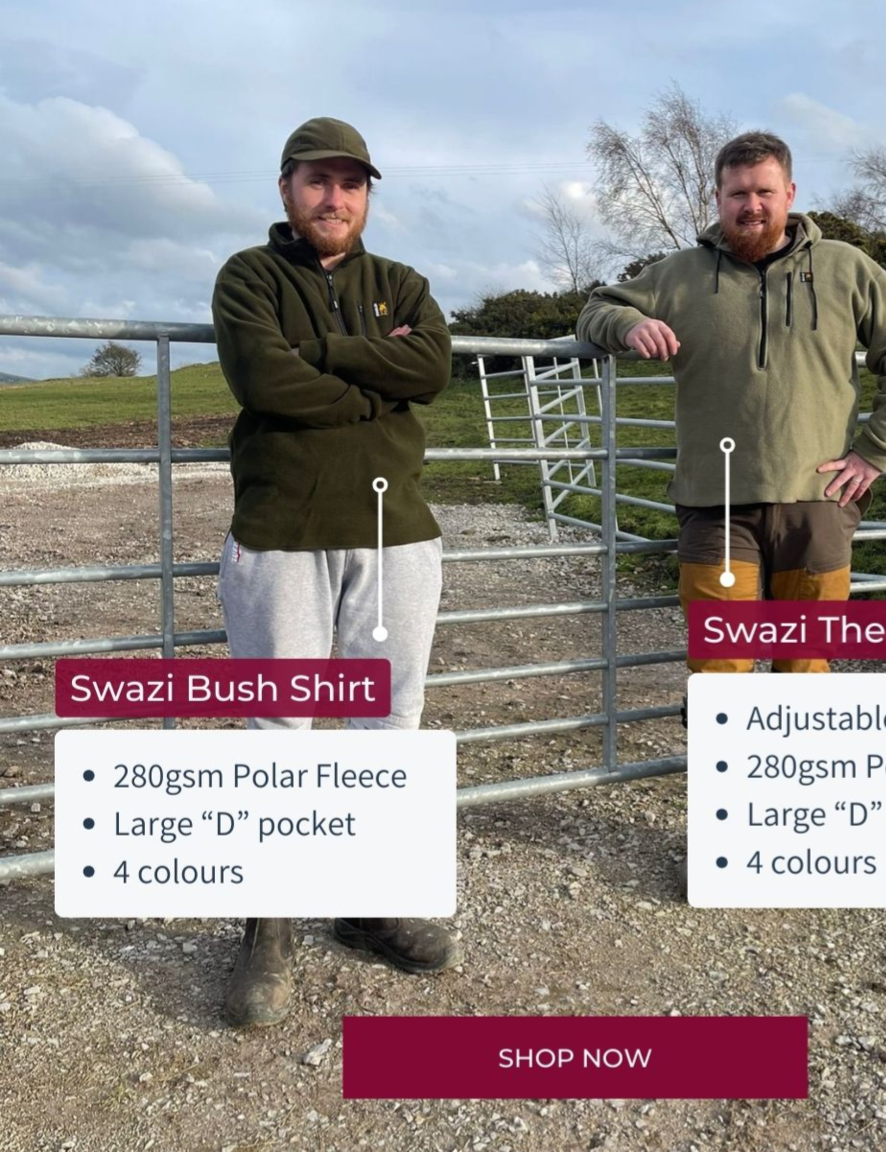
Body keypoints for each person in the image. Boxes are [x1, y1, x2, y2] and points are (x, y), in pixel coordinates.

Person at [211, 117, 459, 1027]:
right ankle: (266, 929)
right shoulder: (248, 276)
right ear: (286, 188)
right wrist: (372, 383)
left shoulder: (404, 284)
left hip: (397, 536)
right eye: (319, 180)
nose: (335, 198)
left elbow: (430, 364)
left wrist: (325, 352)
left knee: (386, 722)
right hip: (282, 531)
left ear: (367, 195)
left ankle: (370, 900)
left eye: (352, 183)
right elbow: (263, 381)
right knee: (282, 725)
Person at [577, 129, 886, 678]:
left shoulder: (846, 267)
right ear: (717, 199)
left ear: (790, 194)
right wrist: (630, 322)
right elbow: (596, 308)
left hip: (818, 501)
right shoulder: (680, 274)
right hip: (713, 504)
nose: (752, 206)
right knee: (719, 670)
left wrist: (875, 452)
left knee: (805, 669)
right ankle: (727, 763)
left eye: (764, 192)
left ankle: (794, 764)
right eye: (737, 194)